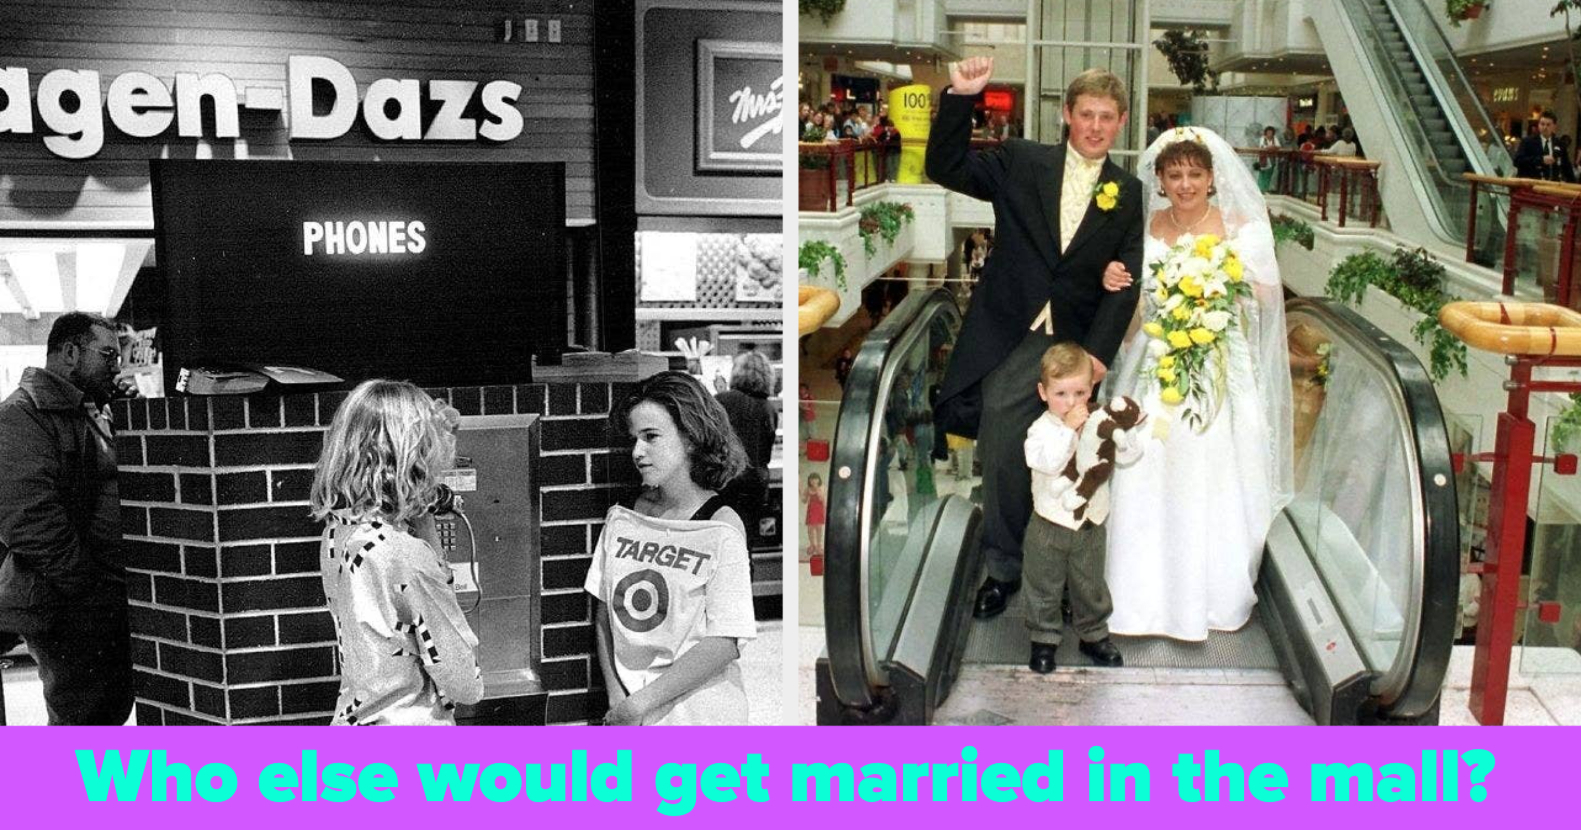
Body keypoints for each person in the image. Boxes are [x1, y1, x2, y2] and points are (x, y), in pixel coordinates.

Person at [925, 55, 1143, 620]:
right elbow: (946, 167)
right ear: (1067, 115)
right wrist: (960, 96)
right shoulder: (1022, 160)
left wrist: (1096, 356)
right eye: (1086, 114)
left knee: (1073, 464)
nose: (1096, 126)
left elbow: (1125, 280)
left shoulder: (1129, 190)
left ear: (1121, 122)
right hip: (1013, 332)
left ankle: (1067, 580)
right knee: (1001, 449)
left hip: (1076, 346)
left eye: (1107, 117)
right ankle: (1004, 568)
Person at [1097, 127, 1295, 640]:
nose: (1185, 183)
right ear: (1160, 180)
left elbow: (1270, 298)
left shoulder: (1241, 225)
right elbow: (1134, 299)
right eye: (1174, 174)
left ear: (1212, 178)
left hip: (1219, 364)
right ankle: (1140, 596)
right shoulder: (1146, 226)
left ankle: (1209, 594)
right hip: (1155, 359)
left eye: (1195, 174)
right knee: (1146, 464)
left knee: (1212, 469)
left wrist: (1222, 279)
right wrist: (1117, 298)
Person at [587, 372, 756, 725]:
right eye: (634, 439)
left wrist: (638, 705)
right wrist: (618, 698)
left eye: (651, 437)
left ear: (691, 438)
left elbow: (724, 642)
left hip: (702, 721)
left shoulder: (721, 526)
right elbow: (604, 614)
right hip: (630, 717)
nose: (637, 452)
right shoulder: (624, 516)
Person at [311, 380, 483, 725]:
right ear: (414, 459)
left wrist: (421, 515)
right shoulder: (405, 554)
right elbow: (465, 684)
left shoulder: (340, 534)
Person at [0, 312, 134, 725]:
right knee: (84, 720)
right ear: (71, 352)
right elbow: (28, 518)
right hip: (67, 603)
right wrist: (87, 589)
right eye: (108, 355)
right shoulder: (21, 415)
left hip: (94, 598)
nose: (117, 366)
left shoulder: (89, 410)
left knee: (104, 710)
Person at [1022, 343, 1141, 672]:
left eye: (1079, 392)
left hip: (1090, 520)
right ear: (1043, 393)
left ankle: (1093, 635)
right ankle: (1044, 638)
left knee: (1090, 583)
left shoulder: (1099, 419)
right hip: (1049, 522)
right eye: (1061, 393)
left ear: (1091, 389)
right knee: (1043, 583)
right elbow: (1045, 462)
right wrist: (1067, 428)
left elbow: (1121, 454)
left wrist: (1127, 435)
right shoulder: (1042, 429)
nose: (1071, 402)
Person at [1514, 111, 1576, 182]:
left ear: (1554, 126)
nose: (1545, 127)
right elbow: (1517, 161)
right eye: (1542, 124)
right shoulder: (1528, 142)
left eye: (1548, 125)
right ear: (1538, 125)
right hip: (1532, 184)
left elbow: (1567, 167)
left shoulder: (1559, 144)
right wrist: (1541, 160)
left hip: (1552, 186)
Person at [801, 473, 826, 561]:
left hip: (819, 509)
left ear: (818, 480)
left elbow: (822, 498)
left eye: (815, 479)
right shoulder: (807, 489)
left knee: (819, 528)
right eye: (812, 480)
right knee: (810, 528)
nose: (814, 481)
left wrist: (817, 489)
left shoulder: (822, 487)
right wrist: (800, 492)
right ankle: (812, 545)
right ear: (809, 481)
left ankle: (819, 546)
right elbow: (804, 501)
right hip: (811, 509)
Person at [1255, 125, 1281, 192]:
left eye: (1271, 132)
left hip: (1272, 159)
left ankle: (1265, 189)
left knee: (1269, 174)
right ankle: (1260, 189)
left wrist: (1271, 147)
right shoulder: (1262, 138)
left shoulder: (1275, 139)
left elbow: (1278, 146)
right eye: (1268, 132)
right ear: (1266, 133)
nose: (1269, 134)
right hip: (1263, 159)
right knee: (1262, 174)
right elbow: (1262, 146)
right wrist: (1271, 147)